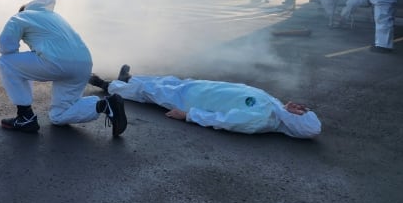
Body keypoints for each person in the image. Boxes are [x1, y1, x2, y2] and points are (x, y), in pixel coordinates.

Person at [0, 0, 127, 136]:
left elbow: (6, 47)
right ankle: (105, 105)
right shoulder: (55, 17)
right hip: (84, 64)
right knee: (59, 115)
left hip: (57, 63)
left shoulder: (19, 17)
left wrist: (23, 56)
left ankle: (24, 116)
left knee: (5, 62)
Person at [88, 65, 321, 139]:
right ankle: (128, 80)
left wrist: (188, 116)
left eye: (301, 112)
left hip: (191, 101)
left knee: (150, 92)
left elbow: (222, 120)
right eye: (304, 108)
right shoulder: (276, 108)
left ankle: (107, 85)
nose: (299, 107)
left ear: (295, 123)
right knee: (164, 81)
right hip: (202, 89)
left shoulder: (260, 120)